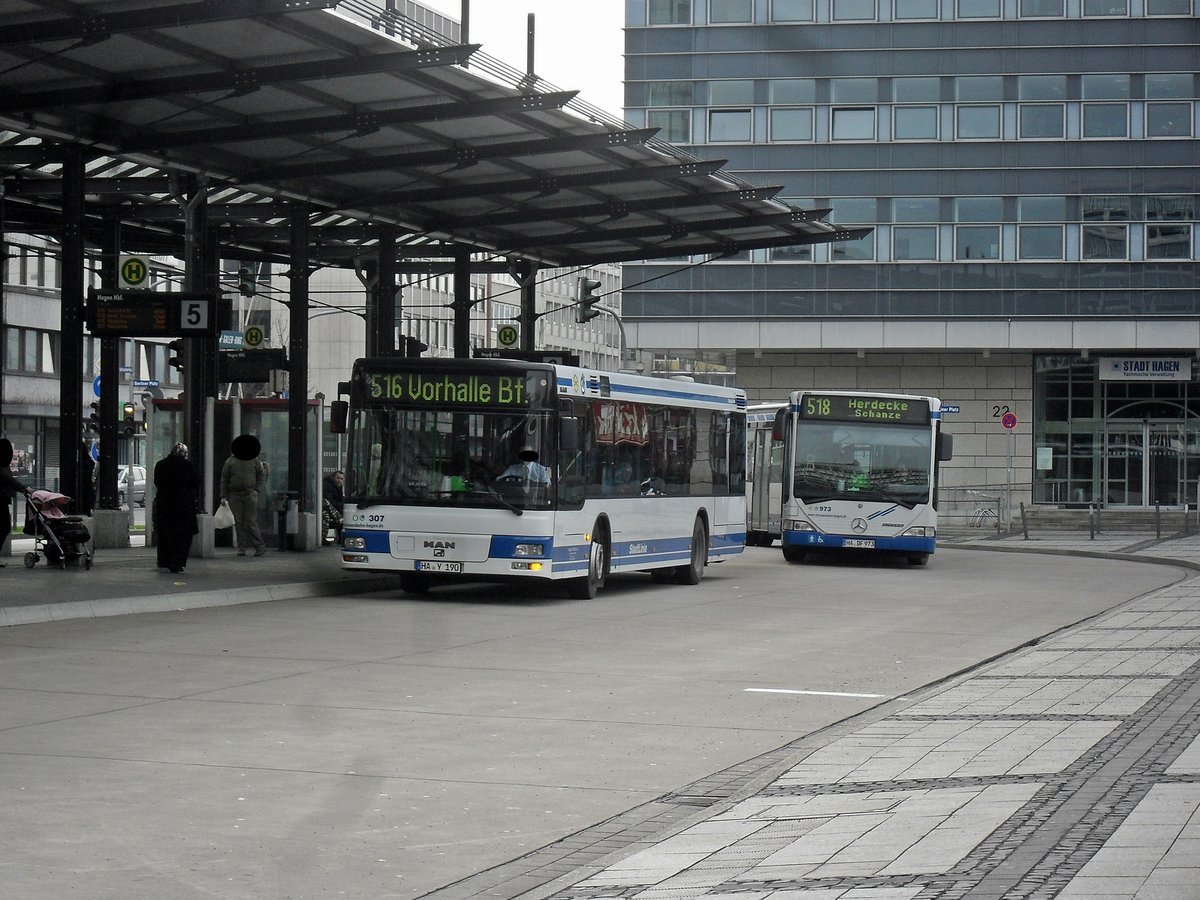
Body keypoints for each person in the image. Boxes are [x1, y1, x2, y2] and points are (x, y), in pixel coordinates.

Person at [153, 442, 199, 574]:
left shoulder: (161, 465)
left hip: (165, 505)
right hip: (183, 505)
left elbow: (157, 482)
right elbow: (194, 482)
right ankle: (178, 561)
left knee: (166, 534)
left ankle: (164, 560)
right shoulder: (187, 466)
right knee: (182, 536)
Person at [220, 434, 268, 557]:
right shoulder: (230, 461)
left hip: (249, 494)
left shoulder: (254, 460)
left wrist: (257, 490)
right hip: (235, 494)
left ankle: (259, 546)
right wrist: (223, 496)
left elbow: (261, 475)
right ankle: (243, 547)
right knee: (239, 522)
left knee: (250, 521)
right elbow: (224, 479)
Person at [0, 438, 33, 568]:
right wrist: (25, 489)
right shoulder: (2, 467)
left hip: (2, 499)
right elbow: (9, 480)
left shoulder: (4, 465)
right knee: (4, 526)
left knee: (4, 527)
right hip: (0, 500)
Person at [322, 470, 344, 546]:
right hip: (325, 508)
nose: (339, 480)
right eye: (338, 478)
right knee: (329, 516)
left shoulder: (339, 487)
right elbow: (330, 501)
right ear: (333, 477)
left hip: (333, 509)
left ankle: (341, 539)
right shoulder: (327, 486)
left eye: (341, 479)